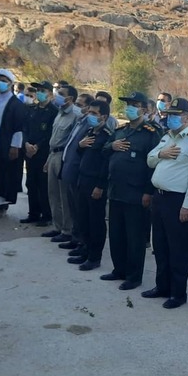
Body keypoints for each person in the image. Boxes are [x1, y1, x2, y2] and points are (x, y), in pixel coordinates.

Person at [143, 98, 188, 309]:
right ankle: (162, 286)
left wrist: (187, 205)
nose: (170, 118)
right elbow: (150, 159)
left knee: (177, 248)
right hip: (159, 197)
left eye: (175, 115)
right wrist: (161, 154)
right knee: (160, 245)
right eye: (169, 114)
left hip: (177, 200)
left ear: (186, 118)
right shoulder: (167, 136)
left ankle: (178, 293)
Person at [100, 92, 160, 290]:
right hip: (116, 189)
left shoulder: (151, 133)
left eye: (134, 105)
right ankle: (119, 270)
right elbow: (104, 150)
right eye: (128, 104)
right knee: (116, 234)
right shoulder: (121, 130)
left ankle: (134, 276)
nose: (130, 108)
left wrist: (148, 192)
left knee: (134, 237)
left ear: (144, 109)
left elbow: (154, 164)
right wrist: (112, 145)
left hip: (136, 192)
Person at [70, 99, 112, 271]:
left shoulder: (107, 136)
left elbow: (106, 164)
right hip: (83, 179)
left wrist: (100, 186)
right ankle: (85, 250)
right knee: (83, 218)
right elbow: (82, 154)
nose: (90, 116)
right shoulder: (89, 132)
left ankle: (95, 257)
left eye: (94, 113)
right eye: (90, 112)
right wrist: (80, 146)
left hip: (96, 183)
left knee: (96, 221)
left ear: (104, 117)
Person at [41, 83, 80, 239]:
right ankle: (57, 226)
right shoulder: (59, 113)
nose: (57, 96)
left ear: (70, 98)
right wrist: (48, 159)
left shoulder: (76, 115)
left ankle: (67, 230)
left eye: (61, 94)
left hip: (64, 156)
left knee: (65, 196)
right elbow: (54, 137)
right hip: (53, 154)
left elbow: (74, 141)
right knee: (53, 193)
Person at [59, 93, 95, 251]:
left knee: (79, 210)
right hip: (69, 168)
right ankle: (75, 238)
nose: (76, 107)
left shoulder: (89, 125)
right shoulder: (79, 121)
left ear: (88, 107)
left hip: (78, 172)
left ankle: (81, 241)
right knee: (73, 207)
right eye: (77, 104)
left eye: (80, 105)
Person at [21, 81, 57, 225]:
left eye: (43, 90)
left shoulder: (54, 111)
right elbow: (25, 128)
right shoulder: (32, 109)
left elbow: (50, 133)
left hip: (43, 153)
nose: (40, 93)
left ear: (50, 94)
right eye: (38, 90)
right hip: (29, 152)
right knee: (31, 183)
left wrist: (37, 146)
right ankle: (33, 213)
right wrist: (26, 144)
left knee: (43, 185)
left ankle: (46, 215)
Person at [0, 69, 26, 218]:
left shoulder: (16, 104)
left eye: (4, 81)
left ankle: (2, 204)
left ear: (11, 84)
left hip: (5, 145)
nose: (0, 83)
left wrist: (15, 146)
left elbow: (19, 128)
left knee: (3, 173)